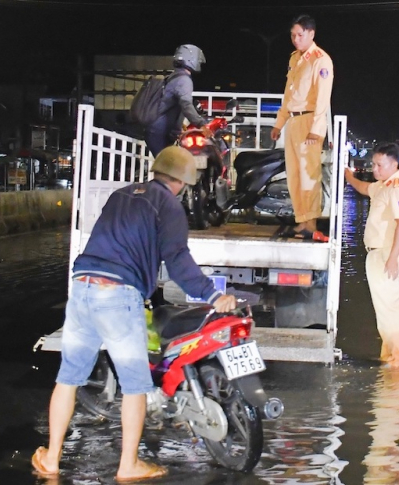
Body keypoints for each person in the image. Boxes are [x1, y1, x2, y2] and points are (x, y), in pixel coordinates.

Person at [32, 146, 237, 482]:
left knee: (68, 378)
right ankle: (128, 465)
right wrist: (213, 294)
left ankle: (52, 457)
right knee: (135, 385)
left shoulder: (121, 195)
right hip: (117, 294)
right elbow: (178, 261)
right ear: (183, 181)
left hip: (82, 285)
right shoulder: (169, 205)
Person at [344, 143, 399, 368]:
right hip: (377, 254)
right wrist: (348, 176)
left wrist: (392, 258)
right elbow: (364, 188)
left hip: (387, 254)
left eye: (379, 165)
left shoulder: (398, 189)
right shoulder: (383, 186)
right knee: (383, 311)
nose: (375, 169)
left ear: (394, 165)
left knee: (390, 309)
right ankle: (390, 356)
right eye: (373, 164)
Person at [270, 14, 334, 241]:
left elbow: (323, 98)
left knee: (309, 175)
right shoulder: (295, 59)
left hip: (309, 121)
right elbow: (289, 94)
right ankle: (302, 220)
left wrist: (316, 129)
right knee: (294, 176)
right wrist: (279, 123)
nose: (296, 39)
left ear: (311, 34)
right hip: (293, 121)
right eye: (293, 35)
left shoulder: (320, 60)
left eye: (300, 35)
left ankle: (311, 223)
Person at [144, 44, 213, 157]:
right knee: (167, 165)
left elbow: (172, 107)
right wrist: (201, 124)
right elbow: (186, 104)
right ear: (192, 59)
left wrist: (178, 127)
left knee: (169, 164)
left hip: (156, 130)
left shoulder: (173, 77)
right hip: (159, 132)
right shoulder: (184, 80)